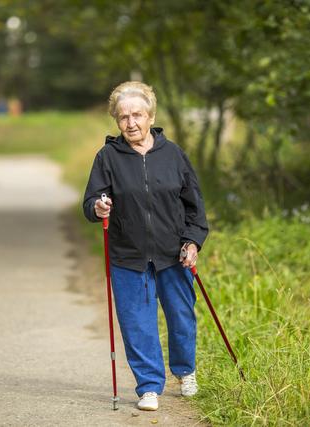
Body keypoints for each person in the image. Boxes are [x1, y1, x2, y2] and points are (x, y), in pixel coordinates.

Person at [82, 81, 209, 411]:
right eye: (123, 117)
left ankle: (185, 372)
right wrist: (98, 207)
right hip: (128, 255)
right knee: (137, 322)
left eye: (137, 115)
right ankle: (149, 385)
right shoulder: (108, 157)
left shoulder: (174, 155)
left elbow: (195, 207)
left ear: (151, 116)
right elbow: (91, 201)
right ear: (117, 121)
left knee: (181, 317)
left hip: (173, 253)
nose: (131, 123)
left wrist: (192, 241)